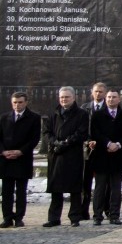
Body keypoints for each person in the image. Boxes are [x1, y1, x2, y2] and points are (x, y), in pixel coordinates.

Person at [43, 86, 88, 227]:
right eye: (62, 97)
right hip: (56, 155)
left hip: (72, 154)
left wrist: (66, 142)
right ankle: (54, 218)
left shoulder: (82, 114)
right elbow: (46, 132)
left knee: (74, 188)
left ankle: (75, 217)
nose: (64, 99)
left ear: (73, 98)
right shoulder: (53, 114)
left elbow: (81, 133)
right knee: (56, 188)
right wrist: (55, 143)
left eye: (67, 97)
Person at [89, 90, 122, 225]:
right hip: (101, 155)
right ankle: (97, 215)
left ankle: (114, 215)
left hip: (118, 156)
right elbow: (95, 132)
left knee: (116, 188)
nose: (111, 99)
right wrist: (107, 143)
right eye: (109, 97)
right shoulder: (97, 115)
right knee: (100, 188)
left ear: (119, 99)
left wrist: (118, 144)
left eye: (114, 97)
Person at [0, 92, 41, 228]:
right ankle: (7, 217)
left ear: (26, 102)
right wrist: (3, 152)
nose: (17, 105)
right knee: (6, 191)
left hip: (22, 159)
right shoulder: (4, 118)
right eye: (15, 102)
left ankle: (19, 217)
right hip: (6, 159)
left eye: (20, 102)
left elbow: (34, 139)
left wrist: (20, 151)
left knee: (21, 191)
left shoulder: (34, 118)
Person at [80, 82, 107, 220]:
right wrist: (88, 141)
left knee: (103, 183)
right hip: (87, 150)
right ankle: (83, 210)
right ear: (92, 92)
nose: (98, 94)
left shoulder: (109, 108)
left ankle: (104, 210)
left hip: (103, 150)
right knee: (85, 181)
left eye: (101, 92)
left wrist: (100, 142)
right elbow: (81, 128)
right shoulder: (84, 109)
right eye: (96, 91)